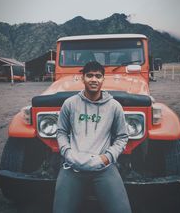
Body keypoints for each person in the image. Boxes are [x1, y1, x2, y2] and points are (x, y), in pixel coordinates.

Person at [53, 61, 132, 213]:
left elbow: (122, 136)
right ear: (82, 78)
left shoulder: (114, 106)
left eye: (98, 76)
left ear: (103, 79)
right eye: (89, 75)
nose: (94, 79)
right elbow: (61, 131)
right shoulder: (69, 104)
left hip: (103, 167)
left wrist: (107, 158)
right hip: (72, 166)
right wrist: (67, 153)